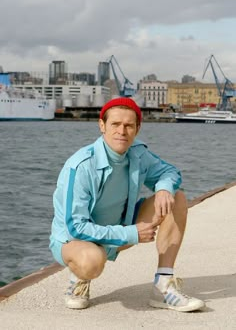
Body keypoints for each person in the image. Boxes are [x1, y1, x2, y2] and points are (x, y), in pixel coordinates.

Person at [49, 97, 205, 312]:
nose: (121, 131)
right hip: (76, 240)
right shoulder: (81, 165)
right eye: (115, 124)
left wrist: (163, 189)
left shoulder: (138, 153)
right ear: (102, 125)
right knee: (92, 260)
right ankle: (79, 278)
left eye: (128, 125)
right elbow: (76, 227)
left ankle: (163, 286)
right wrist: (131, 233)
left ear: (137, 129)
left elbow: (170, 172)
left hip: (121, 226)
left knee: (176, 197)